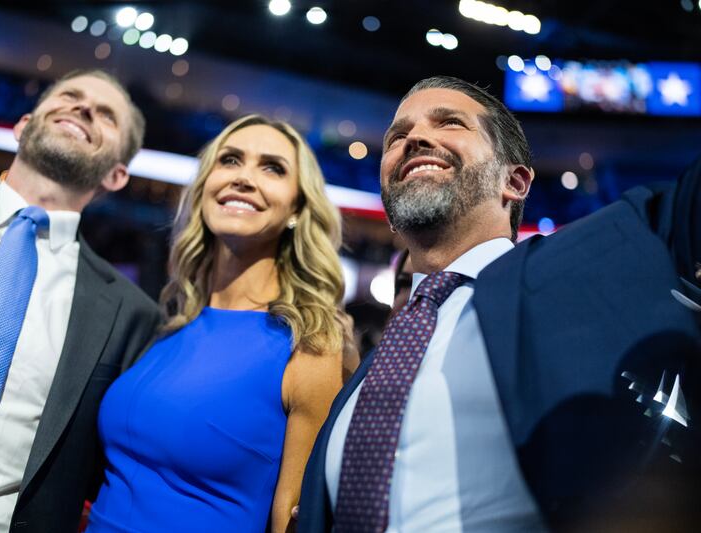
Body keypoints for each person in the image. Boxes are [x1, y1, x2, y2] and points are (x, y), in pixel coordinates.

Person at [298, 75, 701, 532]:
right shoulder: (372, 369)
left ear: (515, 181)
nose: (415, 139)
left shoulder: (574, 270)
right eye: (397, 136)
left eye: (449, 123)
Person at [0, 13, 162, 529]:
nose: (83, 107)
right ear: (22, 127)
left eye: (106, 116)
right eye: (67, 99)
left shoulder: (132, 317)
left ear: (117, 173)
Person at [86, 114, 356, 533]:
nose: (244, 178)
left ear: (297, 209)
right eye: (230, 160)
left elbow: (295, 522)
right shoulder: (171, 326)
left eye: (272, 168)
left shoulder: (311, 345)